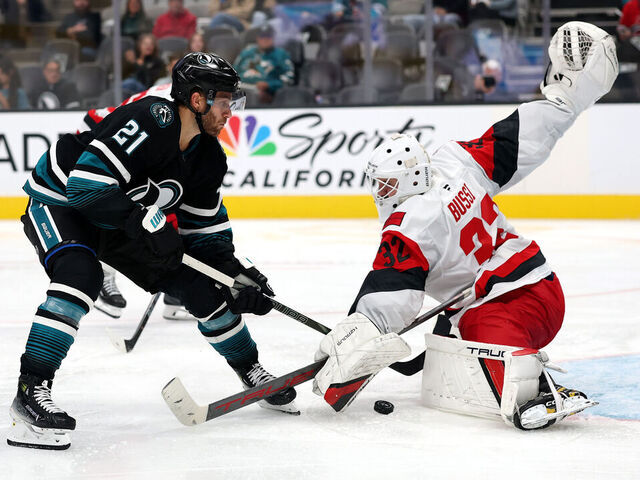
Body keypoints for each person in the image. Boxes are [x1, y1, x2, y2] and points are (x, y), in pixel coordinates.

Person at [312, 22, 618, 430]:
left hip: (512, 302)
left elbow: (391, 297)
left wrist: (354, 335)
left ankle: (539, 390)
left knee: (473, 325)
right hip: (538, 284)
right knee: (445, 344)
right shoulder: (452, 161)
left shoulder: (409, 225)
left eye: (387, 184)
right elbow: (516, 142)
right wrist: (564, 102)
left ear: (410, 180)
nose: (382, 193)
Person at [8, 52, 298, 451]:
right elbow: (85, 188)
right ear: (197, 100)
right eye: (226, 100)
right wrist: (145, 222)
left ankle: (252, 370)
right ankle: (30, 391)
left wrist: (236, 276)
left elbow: (207, 236)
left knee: (202, 288)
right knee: (80, 277)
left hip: (122, 214)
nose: (232, 110)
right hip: (61, 199)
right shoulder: (151, 119)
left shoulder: (209, 157)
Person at [234, 24, 294, 104]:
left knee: (254, 97)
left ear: (273, 38)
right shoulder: (247, 52)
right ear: (257, 38)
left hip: (264, 92)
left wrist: (269, 85)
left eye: (268, 37)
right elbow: (234, 72)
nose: (265, 40)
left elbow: (289, 78)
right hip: (241, 87)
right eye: (262, 36)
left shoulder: (281, 54)